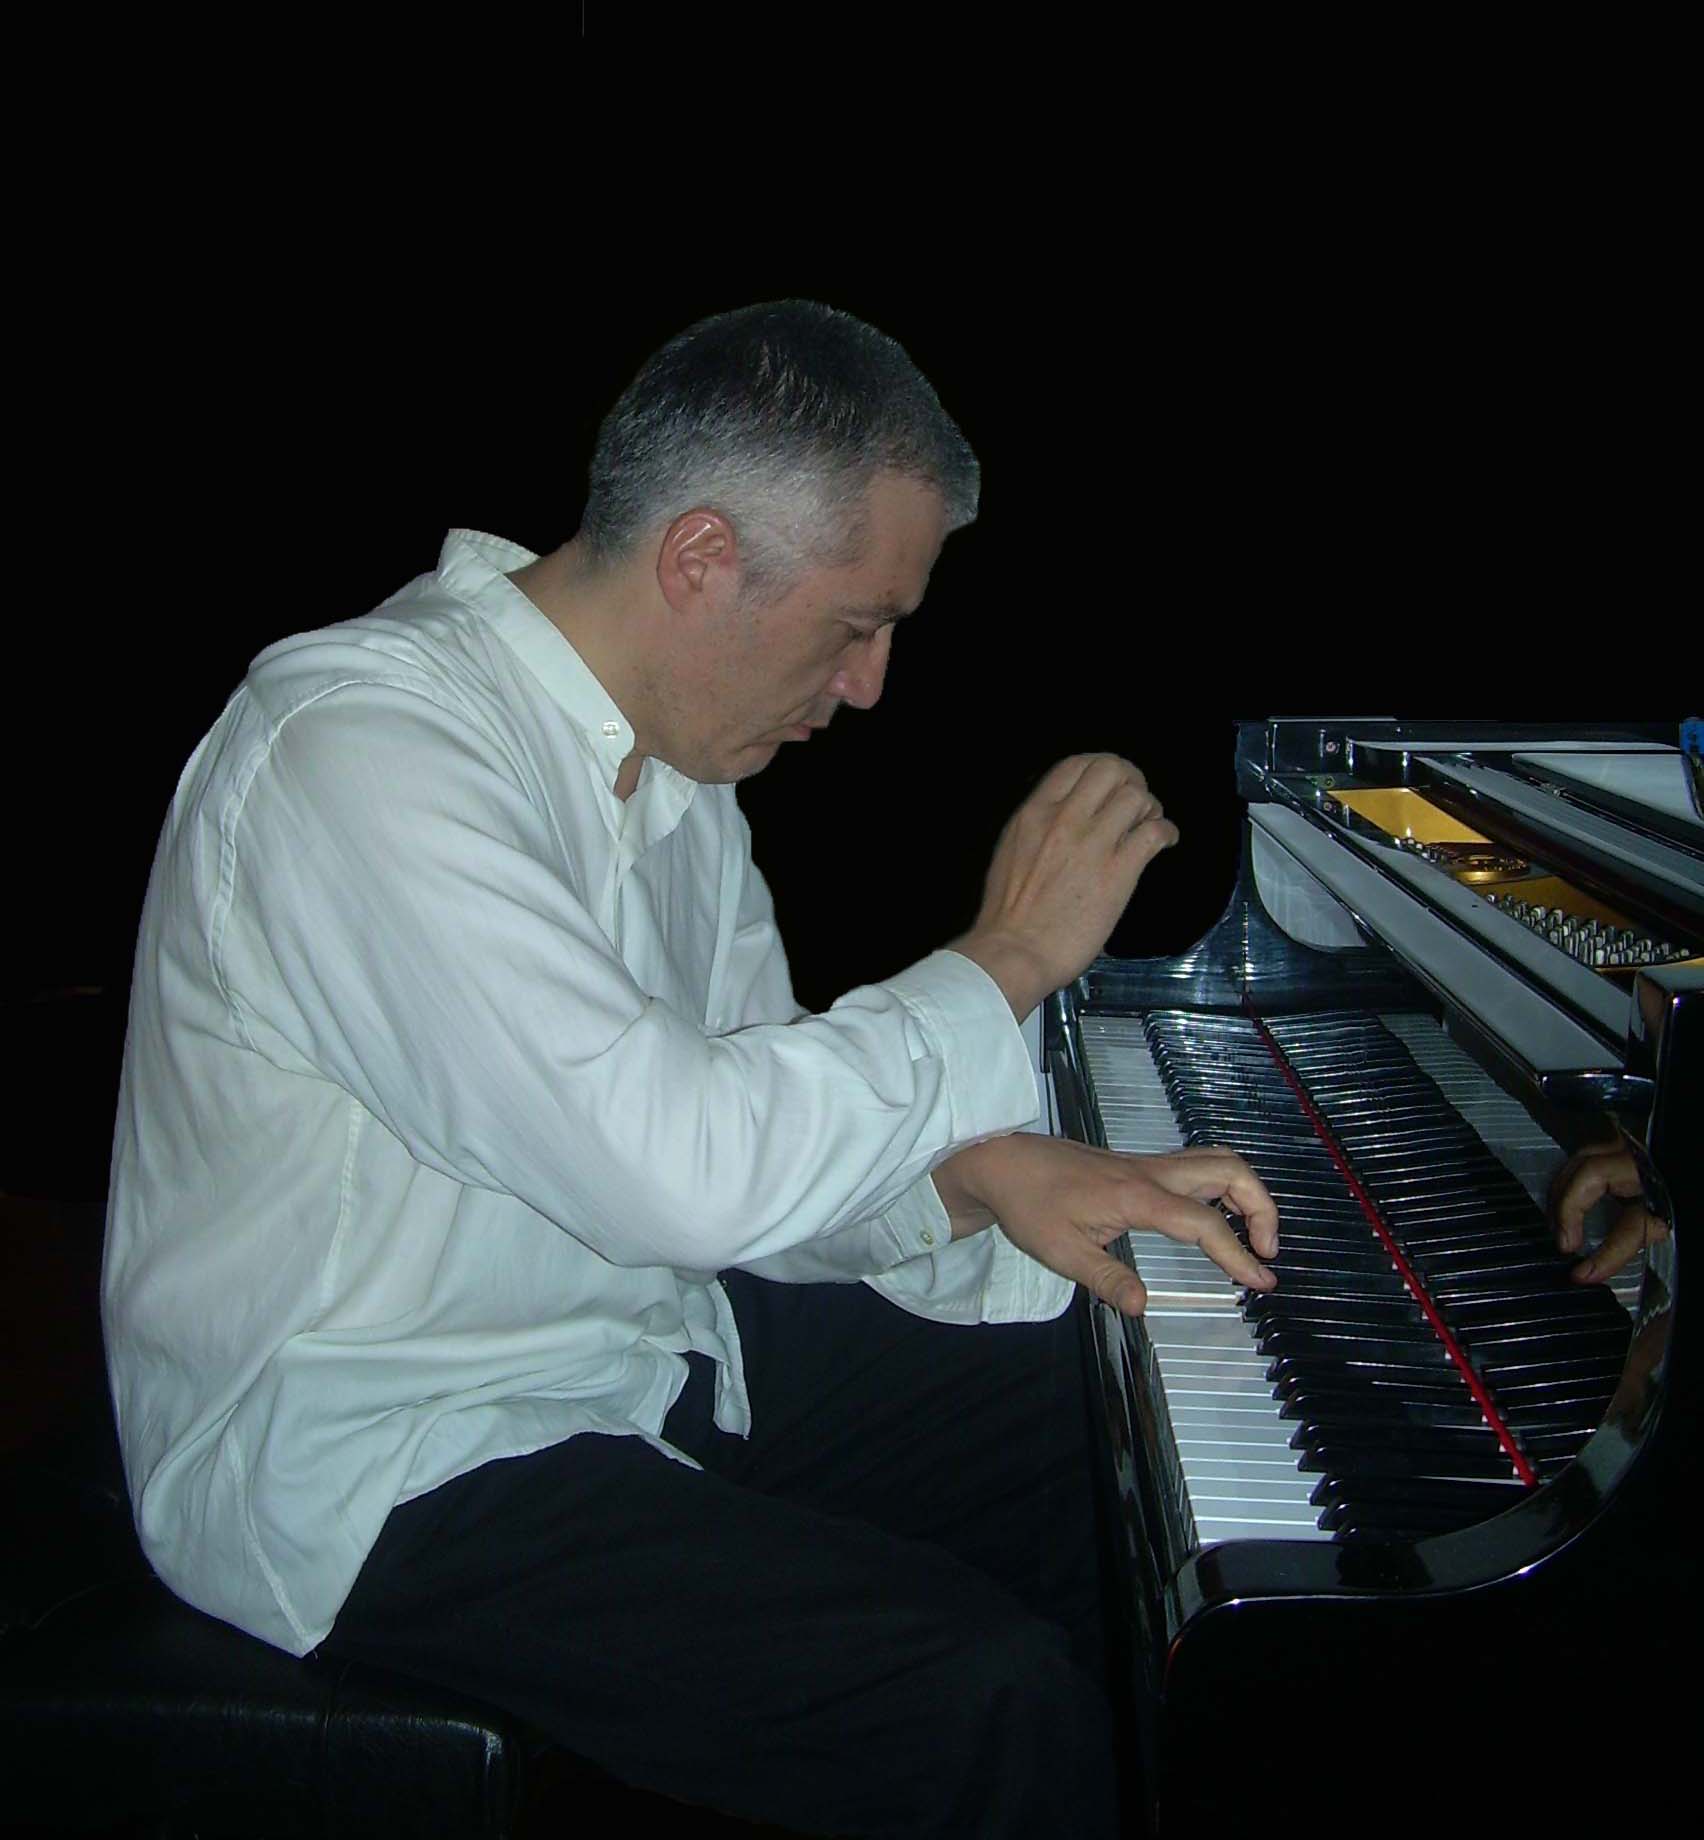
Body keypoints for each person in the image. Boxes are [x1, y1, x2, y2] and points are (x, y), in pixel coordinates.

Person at [102, 300, 1277, 1837]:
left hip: (637, 1348)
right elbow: (682, 1171)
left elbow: (759, 1164)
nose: (872, 684)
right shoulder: (356, 748)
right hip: (375, 1448)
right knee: (981, 1700)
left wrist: (972, 1184)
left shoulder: (674, 779)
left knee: (1108, 1434)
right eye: (858, 625)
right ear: (704, 557)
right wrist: (1004, 958)